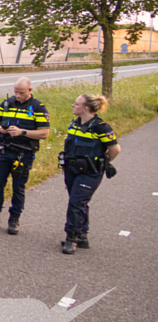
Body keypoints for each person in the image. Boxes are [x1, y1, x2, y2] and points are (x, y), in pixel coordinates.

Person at [0, 77, 51, 235]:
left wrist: (23, 132)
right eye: (16, 92)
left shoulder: (38, 107)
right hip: (4, 150)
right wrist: (1, 129)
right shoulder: (6, 104)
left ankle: (14, 219)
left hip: (23, 153)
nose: (18, 96)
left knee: (18, 187)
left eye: (22, 93)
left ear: (30, 91)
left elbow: (44, 133)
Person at [60, 94, 119, 254]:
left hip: (90, 172)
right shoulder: (75, 123)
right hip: (72, 169)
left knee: (76, 203)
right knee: (77, 202)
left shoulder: (101, 127)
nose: (73, 105)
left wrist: (103, 164)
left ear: (86, 108)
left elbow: (115, 149)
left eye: (76, 104)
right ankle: (82, 235)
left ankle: (71, 238)